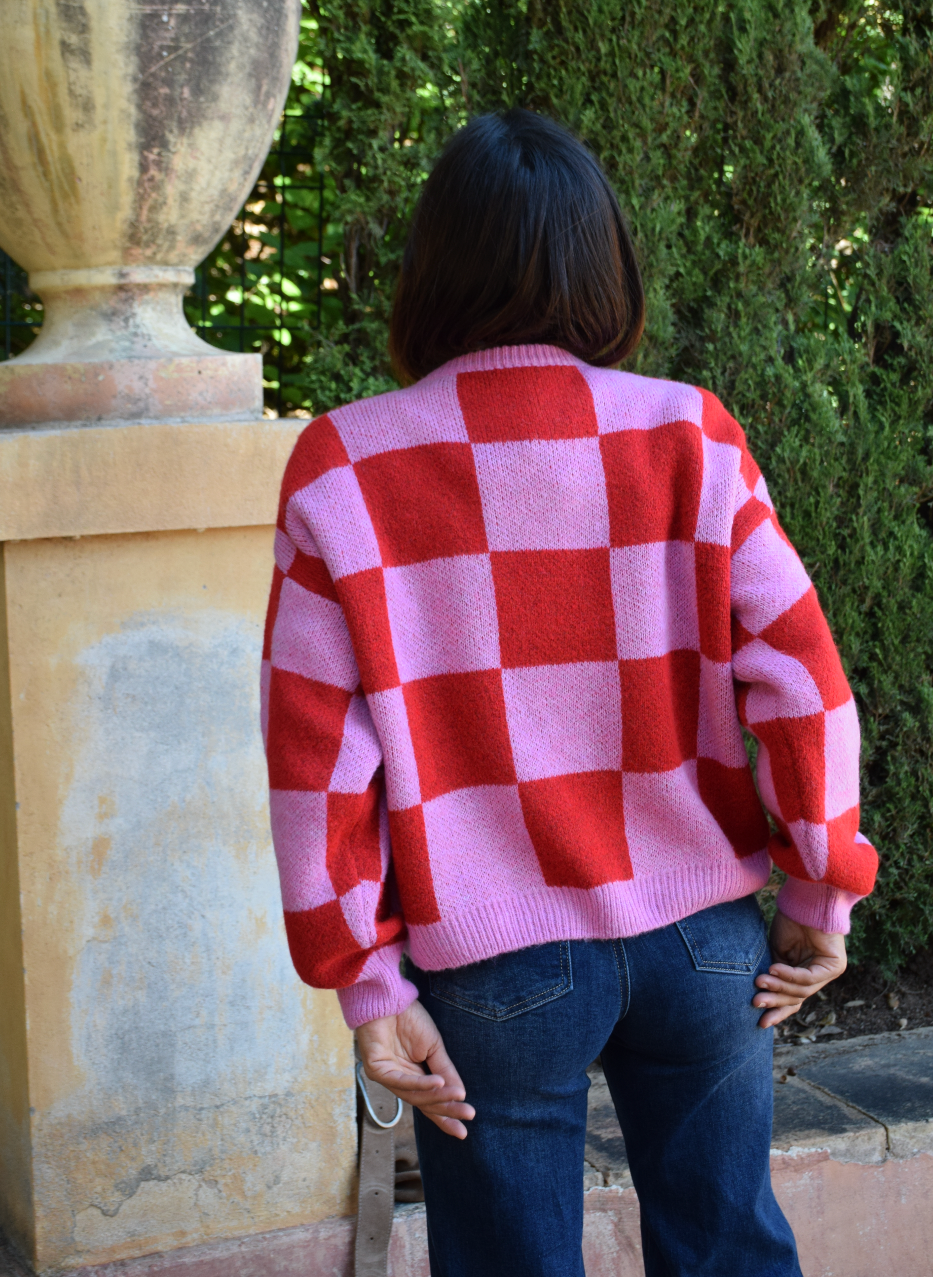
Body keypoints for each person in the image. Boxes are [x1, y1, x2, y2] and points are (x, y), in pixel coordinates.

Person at [261, 109, 878, 1277]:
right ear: (606, 265)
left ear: (430, 273)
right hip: (702, 939)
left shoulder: (347, 464)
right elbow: (805, 682)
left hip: (492, 967)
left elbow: (314, 761)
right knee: (732, 1252)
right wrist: (818, 885)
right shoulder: (688, 435)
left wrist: (363, 976)